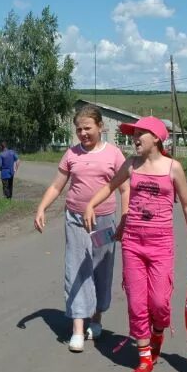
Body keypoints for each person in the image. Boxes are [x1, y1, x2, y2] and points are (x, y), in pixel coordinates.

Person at [84, 117, 187, 372]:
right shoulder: (131, 165)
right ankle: (144, 357)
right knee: (137, 302)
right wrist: (90, 205)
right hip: (133, 243)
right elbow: (109, 186)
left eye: (140, 134)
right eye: (133, 134)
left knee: (160, 303)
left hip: (161, 244)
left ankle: (158, 334)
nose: (134, 138)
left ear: (157, 138)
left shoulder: (173, 168)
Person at [34, 106, 128, 352]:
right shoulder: (71, 154)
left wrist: (125, 219)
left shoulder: (114, 154)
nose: (83, 133)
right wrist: (42, 208)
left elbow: (125, 189)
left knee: (100, 268)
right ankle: (77, 328)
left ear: (100, 127)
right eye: (79, 129)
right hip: (75, 219)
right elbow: (57, 186)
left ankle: (96, 319)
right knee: (75, 268)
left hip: (104, 221)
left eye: (88, 128)